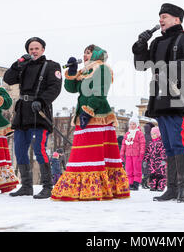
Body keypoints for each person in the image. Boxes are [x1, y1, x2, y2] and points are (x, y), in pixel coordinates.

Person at [132, 3, 184, 203]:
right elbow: (140, 65)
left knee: (178, 141)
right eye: (160, 16)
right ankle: (171, 188)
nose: (161, 19)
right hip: (159, 97)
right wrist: (140, 45)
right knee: (168, 145)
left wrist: (167, 68)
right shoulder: (156, 43)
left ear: (177, 19)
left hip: (178, 95)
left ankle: (183, 188)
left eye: (165, 16)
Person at [51, 45, 130, 201]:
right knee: (82, 153)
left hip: (97, 115)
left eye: (88, 53)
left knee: (91, 154)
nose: (85, 55)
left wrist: (89, 110)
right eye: (84, 53)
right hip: (83, 115)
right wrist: (73, 71)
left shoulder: (102, 68)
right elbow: (72, 88)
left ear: (96, 54)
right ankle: (81, 188)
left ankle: (95, 188)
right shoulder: (86, 71)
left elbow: (101, 91)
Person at [4, 37, 62, 199]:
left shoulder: (51, 66)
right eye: (31, 49)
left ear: (43, 49)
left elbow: (55, 87)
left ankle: (47, 186)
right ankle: (26, 186)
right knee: (20, 150)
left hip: (39, 113)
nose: (34, 51)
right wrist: (17, 65)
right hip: (22, 113)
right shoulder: (23, 66)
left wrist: (42, 101)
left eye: (37, 48)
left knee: (39, 150)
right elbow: (8, 79)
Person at [120, 116, 146, 191]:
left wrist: (141, 154)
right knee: (128, 169)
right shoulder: (127, 134)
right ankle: (130, 183)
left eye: (133, 124)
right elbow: (123, 145)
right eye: (130, 124)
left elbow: (142, 144)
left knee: (136, 169)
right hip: (128, 155)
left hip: (136, 155)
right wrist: (122, 155)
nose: (132, 125)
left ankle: (136, 183)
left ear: (137, 125)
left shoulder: (139, 134)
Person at [143, 127, 166, 191]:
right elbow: (147, 152)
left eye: (154, 134)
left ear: (158, 134)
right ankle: (153, 186)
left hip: (160, 161)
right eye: (152, 134)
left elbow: (164, 151)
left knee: (160, 174)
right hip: (152, 161)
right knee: (152, 174)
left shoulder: (161, 143)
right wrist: (145, 160)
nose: (153, 136)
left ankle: (160, 186)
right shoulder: (150, 144)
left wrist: (164, 159)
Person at [141, 122, 155, 189]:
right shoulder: (152, 136)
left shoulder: (143, 135)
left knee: (145, 169)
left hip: (144, 154)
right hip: (150, 154)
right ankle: (144, 182)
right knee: (149, 169)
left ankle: (145, 183)